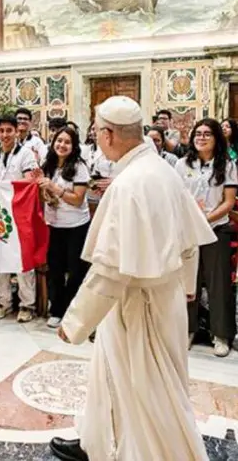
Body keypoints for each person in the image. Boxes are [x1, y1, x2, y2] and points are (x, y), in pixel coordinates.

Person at [49, 97, 216, 461]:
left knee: (148, 389)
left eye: (97, 131)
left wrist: (75, 323)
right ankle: (95, 442)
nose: (96, 137)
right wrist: (187, 287)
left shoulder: (129, 184)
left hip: (136, 304)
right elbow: (190, 243)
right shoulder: (163, 171)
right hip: (166, 298)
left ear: (109, 135)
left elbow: (111, 270)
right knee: (112, 376)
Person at [175, 119, 236, 358]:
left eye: (207, 134)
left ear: (216, 138)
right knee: (187, 281)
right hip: (187, 230)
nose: (201, 138)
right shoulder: (182, 164)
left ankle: (220, 334)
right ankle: (187, 329)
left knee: (218, 283)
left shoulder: (227, 165)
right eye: (197, 134)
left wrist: (205, 219)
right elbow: (176, 197)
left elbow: (228, 202)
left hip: (215, 229)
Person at [0, 115, 39, 322]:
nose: (5, 134)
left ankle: (27, 305)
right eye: (2, 131)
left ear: (17, 132)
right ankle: (4, 302)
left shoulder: (26, 154)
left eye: (9, 130)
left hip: (20, 212)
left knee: (22, 259)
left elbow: (30, 181)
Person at [37, 127, 91, 330]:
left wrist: (55, 189)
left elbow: (77, 200)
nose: (62, 145)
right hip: (54, 224)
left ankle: (71, 309)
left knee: (76, 271)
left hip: (76, 226)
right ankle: (57, 310)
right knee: (55, 270)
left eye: (67, 142)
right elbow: (46, 194)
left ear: (74, 146)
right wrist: (48, 195)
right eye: (59, 141)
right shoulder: (48, 165)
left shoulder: (79, 166)